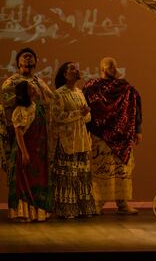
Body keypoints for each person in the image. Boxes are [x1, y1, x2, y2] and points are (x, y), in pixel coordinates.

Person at [82, 57, 142, 215]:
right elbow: (85, 109)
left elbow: (136, 107)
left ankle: (123, 203)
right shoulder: (91, 87)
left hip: (122, 137)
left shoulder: (125, 87)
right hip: (99, 135)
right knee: (100, 170)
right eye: (110, 66)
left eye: (115, 66)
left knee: (122, 170)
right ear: (102, 68)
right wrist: (85, 131)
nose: (114, 69)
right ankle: (97, 202)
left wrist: (138, 130)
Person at [51, 62, 96, 218]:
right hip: (67, 141)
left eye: (77, 67)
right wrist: (79, 113)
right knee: (67, 177)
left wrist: (85, 113)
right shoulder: (58, 94)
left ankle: (83, 208)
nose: (77, 70)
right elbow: (57, 117)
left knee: (82, 176)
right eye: (72, 68)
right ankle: (67, 210)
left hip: (81, 139)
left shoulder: (79, 92)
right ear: (65, 74)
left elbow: (87, 117)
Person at [1, 48, 54, 178]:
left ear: (36, 62)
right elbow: (7, 107)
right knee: (23, 167)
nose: (28, 58)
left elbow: (52, 100)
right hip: (22, 131)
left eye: (31, 56)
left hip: (40, 131)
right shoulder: (11, 82)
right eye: (25, 56)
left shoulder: (40, 82)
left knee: (39, 168)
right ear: (18, 62)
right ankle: (23, 198)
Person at [8, 81, 52, 221]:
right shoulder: (20, 110)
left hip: (39, 151)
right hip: (26, 149)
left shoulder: (38, 107)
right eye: (31, 88)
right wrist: (25, 153)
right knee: (25, 180)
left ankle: (39, 212)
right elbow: (19, 133)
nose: (34, 89)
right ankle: (24, 212)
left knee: (38, 180)